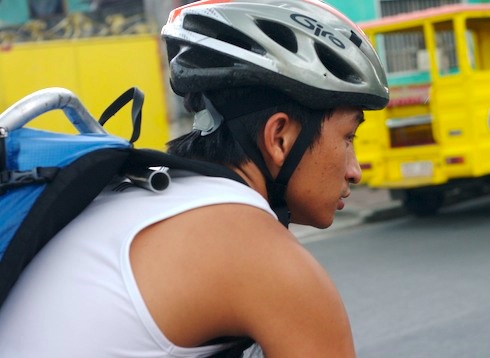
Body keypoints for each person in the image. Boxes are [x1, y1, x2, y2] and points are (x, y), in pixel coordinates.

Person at [0, 0, 388, 357]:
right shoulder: (259, 255)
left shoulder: (139, 195)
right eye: (348, 138)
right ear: (279, 138)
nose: (355, 170)